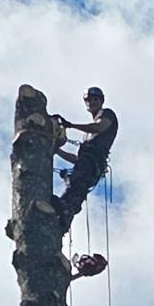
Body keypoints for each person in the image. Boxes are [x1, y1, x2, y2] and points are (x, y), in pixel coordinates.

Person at [55, 87, 118, 227]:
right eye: (89, 100)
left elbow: (98, 127)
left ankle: (64, 211)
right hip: (86, 162)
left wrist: (71, 125)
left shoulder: (107, 114)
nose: (92, 102)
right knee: (75, 186)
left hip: (92, 162)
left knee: (76, 186)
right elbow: (76, 159)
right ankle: (62, 212)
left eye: (95, 99)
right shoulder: (86, 136)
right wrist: (57, 150)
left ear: (101, 101)